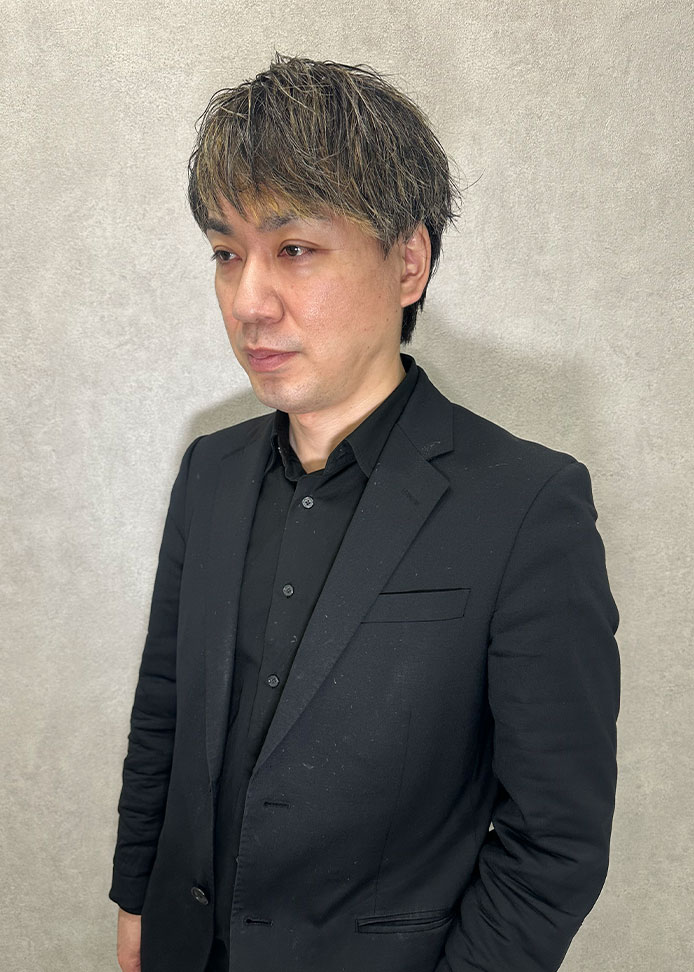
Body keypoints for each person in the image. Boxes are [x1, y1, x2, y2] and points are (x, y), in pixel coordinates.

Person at [110, 54, 620, 972]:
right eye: (226, 254)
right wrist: (137, 900)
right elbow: (165, 714)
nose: (248, 302)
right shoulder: (209, 473)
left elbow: (556, 838)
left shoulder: (526, 505)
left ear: (408, 262)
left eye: (294, 249)